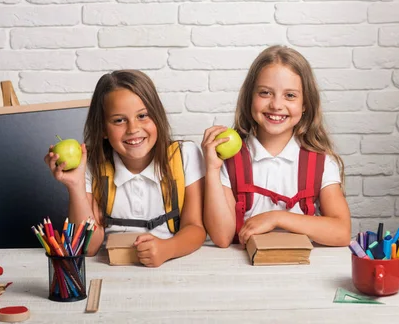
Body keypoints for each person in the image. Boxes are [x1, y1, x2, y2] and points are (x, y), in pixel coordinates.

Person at [45, 70, 206, 267]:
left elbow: (195, 228)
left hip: (172, 264)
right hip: (107, 269)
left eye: (143, 116)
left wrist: (167, 249)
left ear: (157, 116)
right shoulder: (91, 165)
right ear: (103, 128)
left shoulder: (184, 155)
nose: (133, 129)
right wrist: (75, 186)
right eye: (119, 120)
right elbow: (88, 248)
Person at [202, 45, 351, 248]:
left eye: (290, 95)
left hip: (301, 270)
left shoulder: (320, 162)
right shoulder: (228, 161)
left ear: (305, 104)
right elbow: (222, 237)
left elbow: (341, 232)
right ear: (249, 98)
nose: (276, 105)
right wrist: (212, 169)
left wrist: (276, 218)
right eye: (265, 93)